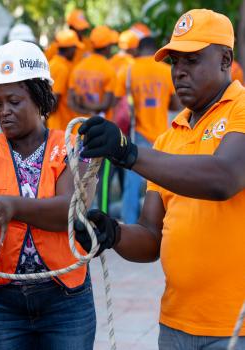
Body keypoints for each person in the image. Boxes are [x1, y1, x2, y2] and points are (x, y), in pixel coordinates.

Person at [76, 9, 245, 349]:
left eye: (192, 60)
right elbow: (152, 238)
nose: (179, 72)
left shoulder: (241, 110)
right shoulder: (169, 139)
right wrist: (112, 232)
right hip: (175, 324)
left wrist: (129, 152)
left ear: (226, 59)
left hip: (236, 328)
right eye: (174, 63)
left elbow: (224, 178)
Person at [0, 40, 96, 350]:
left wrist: (13, 207)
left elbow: (71, 211)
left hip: (66, 300)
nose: (3, 111)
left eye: (14, 101)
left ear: (39, 97)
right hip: (1, 304)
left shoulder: (73, 147)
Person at [115, 36, 181, 224]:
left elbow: (118, 104)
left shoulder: (127, 70)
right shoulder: (167, 71)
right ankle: (167, 222)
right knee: (165, 182)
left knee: (132, 183)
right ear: (155, 51)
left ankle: (129, 224)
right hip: (163, 135)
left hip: (137, 133)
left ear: (138, 50)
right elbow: (175, 105)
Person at [47, 29, 83, 131]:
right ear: (69, 48)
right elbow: (53, 102)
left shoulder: (53, 63)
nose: (76, 52)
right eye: (75, 48)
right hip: (62, 127)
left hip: (57, 126)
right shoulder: (61, 68)